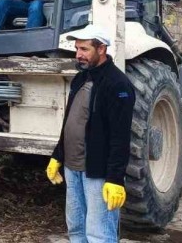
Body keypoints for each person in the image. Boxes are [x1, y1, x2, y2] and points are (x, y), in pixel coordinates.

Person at [46, 25, 135, 242]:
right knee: (76, 229)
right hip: (72, 168)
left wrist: (115, 178)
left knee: (99, 233)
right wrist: (58, 156)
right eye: (77, 49)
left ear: (102, 49)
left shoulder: (118, 84)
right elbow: (70, 122)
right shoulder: (80, 78)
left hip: (97, 172)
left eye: (84, 49)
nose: (78, 54)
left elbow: (120, 136)